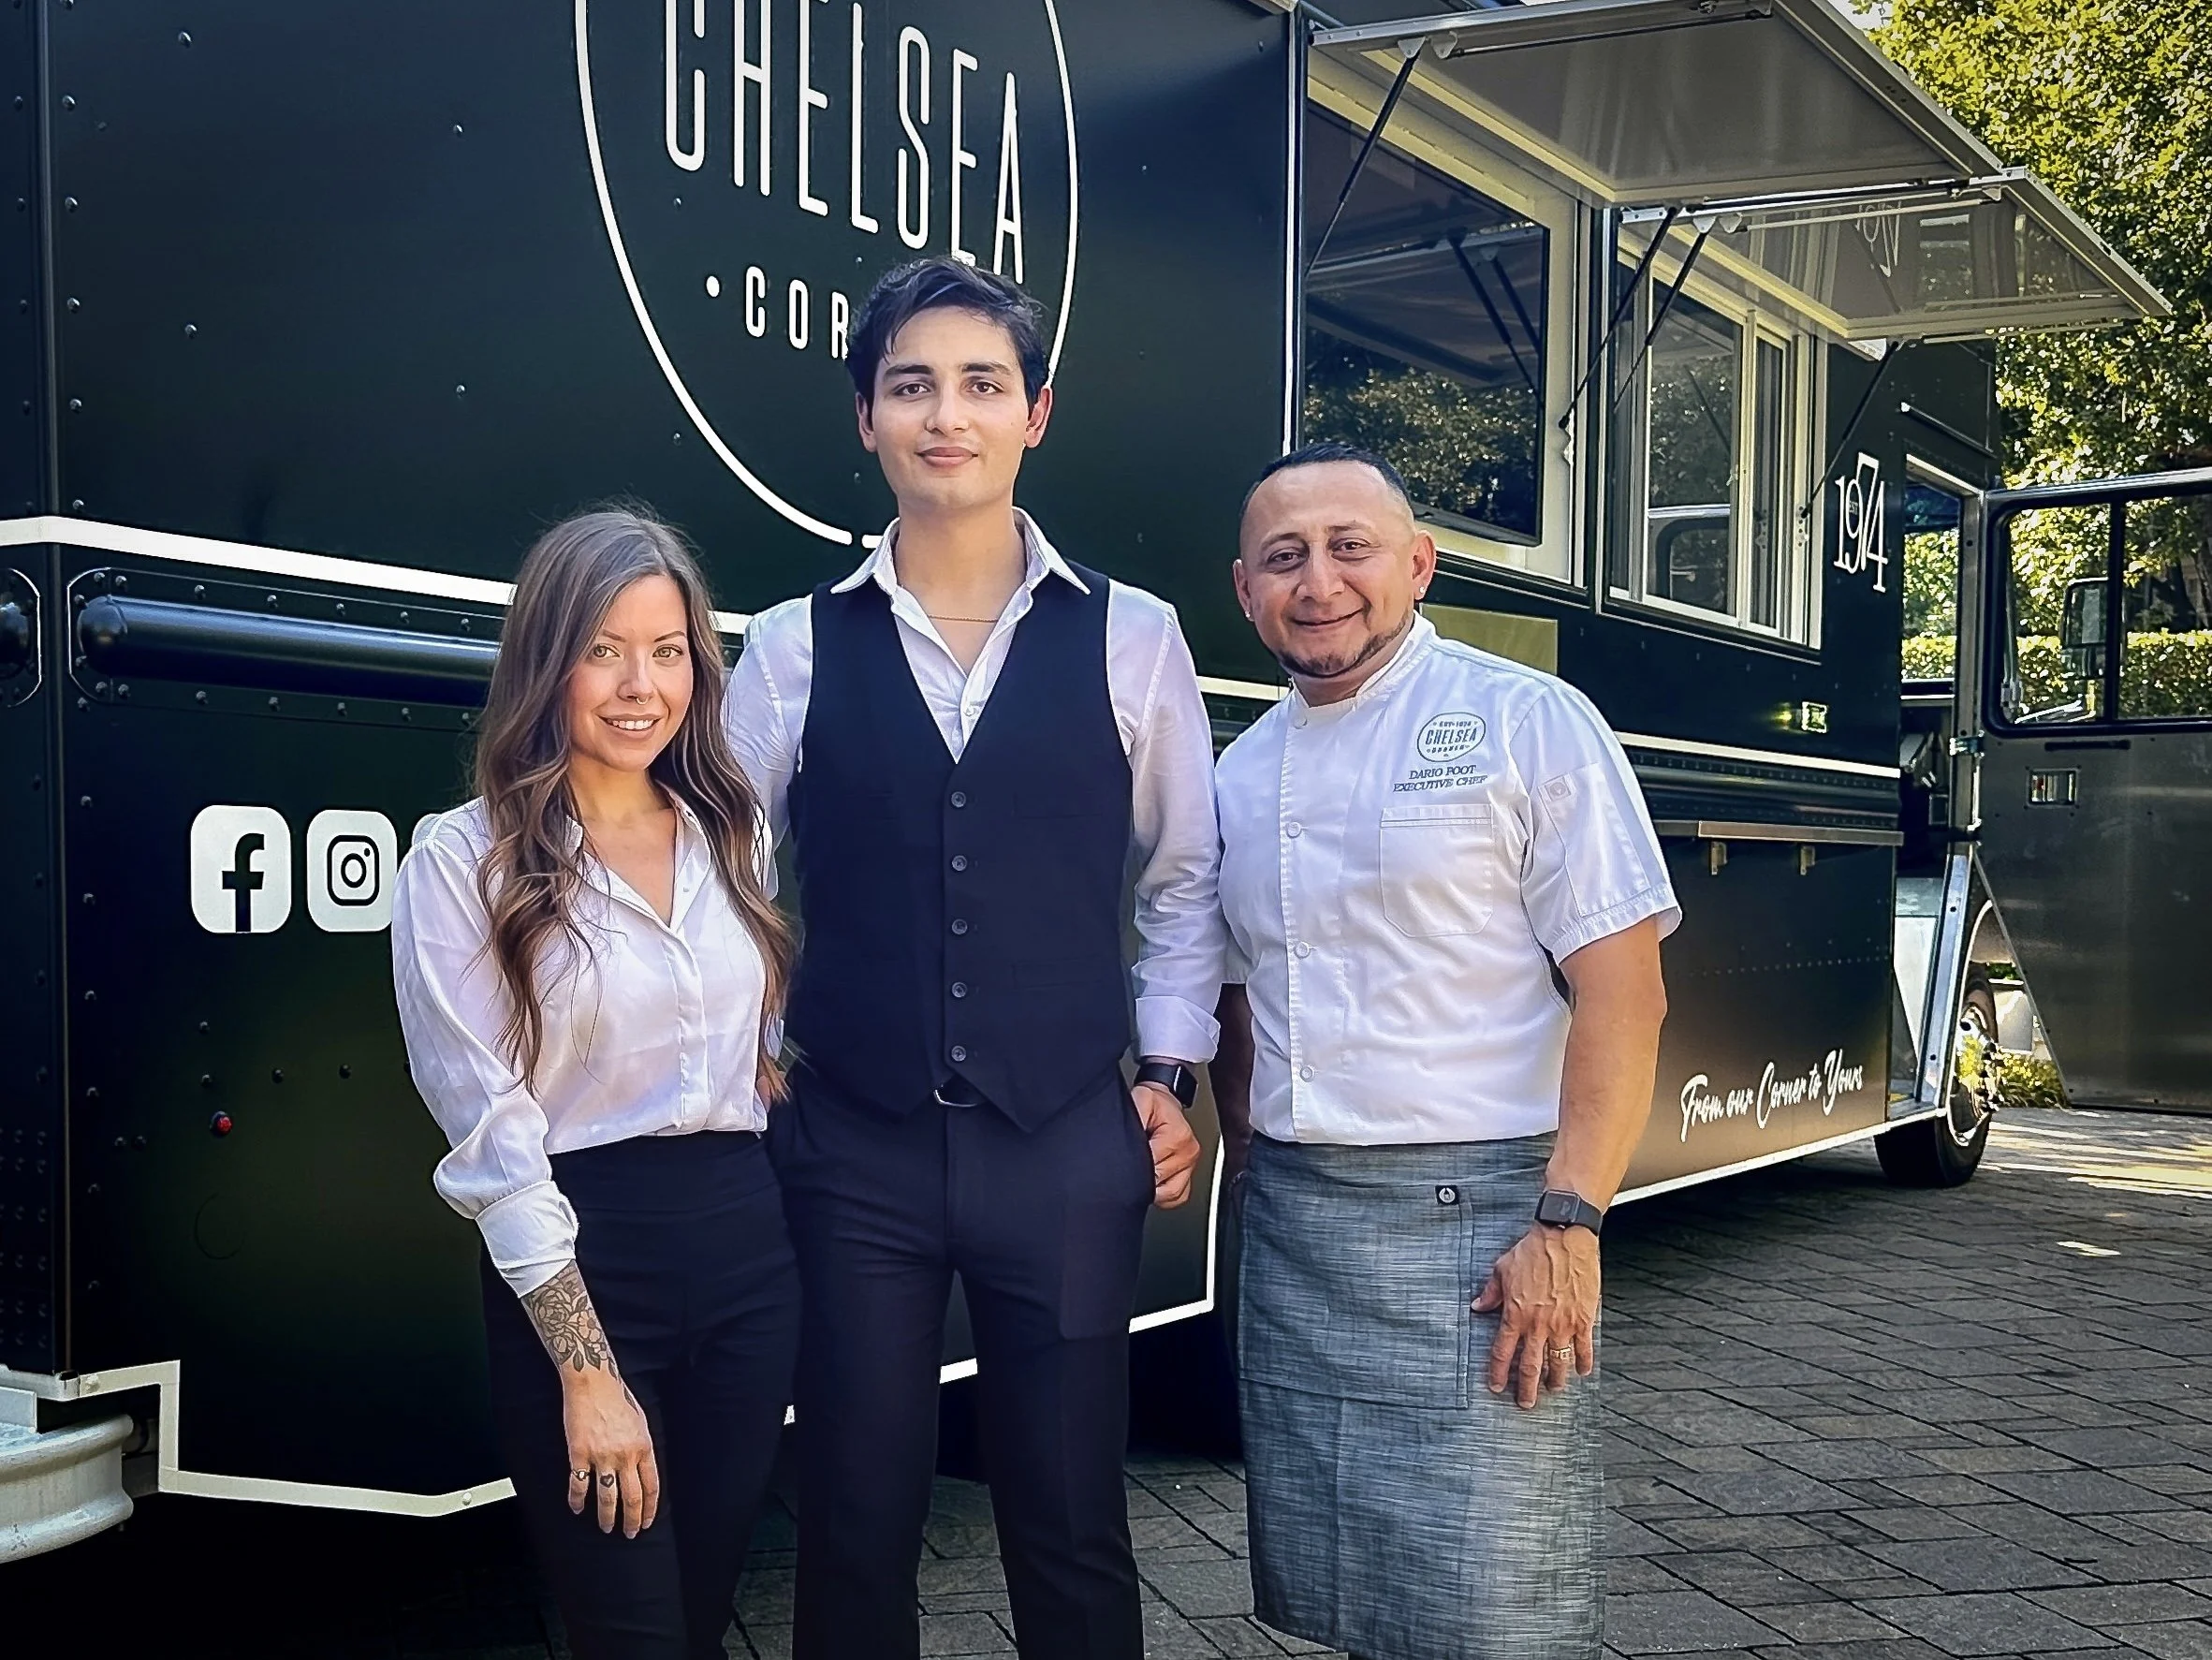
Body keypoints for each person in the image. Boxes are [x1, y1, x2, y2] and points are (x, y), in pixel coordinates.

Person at [725, 256, 1225, 1660]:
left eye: (980, 384)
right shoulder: (789, 647)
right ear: (866, 420)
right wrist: (750, 1056)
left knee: (1068, 1519)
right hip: (849, 1144)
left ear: (1034, 414)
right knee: (851, 1513)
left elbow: (1184, 877)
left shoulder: (1134, 637)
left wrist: (1167, 1073)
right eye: (911, 386)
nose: (946, 415)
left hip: (1062, 1140)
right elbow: (726, 881)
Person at [1210, 444, 1676, 1660]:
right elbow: (1233, 997)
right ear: (1244, 591)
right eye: (1283, 557)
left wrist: (1568, 1222)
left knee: (1493, 1605)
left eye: (1349, 548)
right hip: (1300, 1227)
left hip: (1486, 1227)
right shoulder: (1238, 772)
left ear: (1416, 564)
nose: (1318, 582)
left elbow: (1624, 994)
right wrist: (1249, 1164)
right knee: (1346, 1594)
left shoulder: (1527, 721)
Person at [391, 510, 801, 1660]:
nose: (639, 687)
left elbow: (758, 1057)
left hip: (748, 1260)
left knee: (701, 1614)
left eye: (666, 652)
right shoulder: (462, 861)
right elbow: (491, 1136)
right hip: (580, 1264)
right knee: (629, 1631)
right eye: (602, 651)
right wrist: (586, 1369)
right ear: (546, 660)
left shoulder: (731, 834)